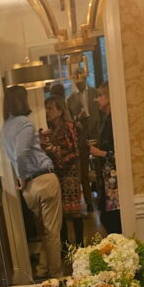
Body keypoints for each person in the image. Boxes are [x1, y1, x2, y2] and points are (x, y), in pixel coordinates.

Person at [0, 85, 62, 279]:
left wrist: (22, 176)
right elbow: (20, 154)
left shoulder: (5, 128)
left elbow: (15, 154)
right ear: (22, 100)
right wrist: (23, 175)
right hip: (43, 179)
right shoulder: (24, 123)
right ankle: (57, 278)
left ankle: (42, 271)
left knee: (44, 232)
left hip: (29, 190)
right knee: (53, 232)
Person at [40, 95, 83, 249]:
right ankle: (66, 248)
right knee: (61, 213)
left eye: (50, 108)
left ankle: (80, 245)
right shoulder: (50, 131)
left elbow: (74, 151)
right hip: (57, 174)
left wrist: (52, 149)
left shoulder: (68, 126)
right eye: (46, 108)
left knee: (75, 212)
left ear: (59, 111)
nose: (47, 111)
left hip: (69, 174)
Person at [89, 81, 122, 235]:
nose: (97, 99)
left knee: (111, 221)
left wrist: (99, 152)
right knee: (106, 218)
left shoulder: (116, 121)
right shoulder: (107, 120)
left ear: (110, 97)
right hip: (108, 182)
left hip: (116, 185)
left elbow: (121, 154)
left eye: (101, 95)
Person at [67, 74, 101, 212]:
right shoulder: (70, 99)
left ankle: (102, 197)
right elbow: (70, 119)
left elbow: (101, 112)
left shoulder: (95, 92)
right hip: (81, 138)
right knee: (84, 173)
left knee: (99, 169)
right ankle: (89, 203)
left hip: (97, 134)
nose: (78, 83)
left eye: (80, 81)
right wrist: (77, 119)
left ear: (85, 78)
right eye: (75, 81)